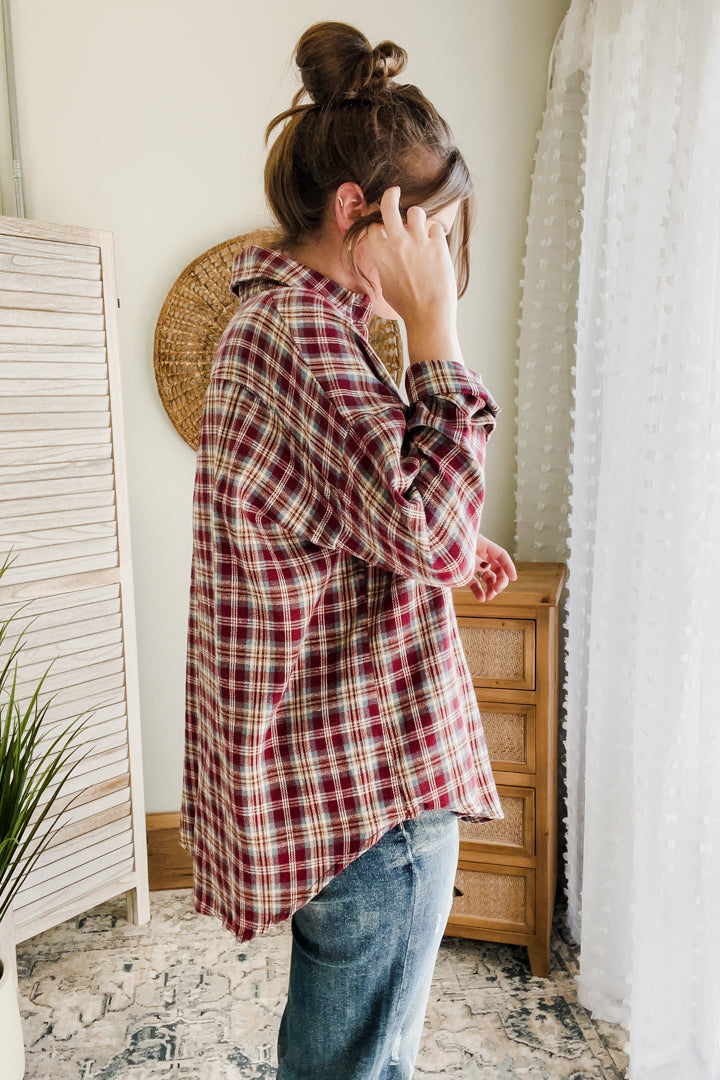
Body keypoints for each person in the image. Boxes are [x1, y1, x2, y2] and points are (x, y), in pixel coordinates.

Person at [180, 20, 517, 1080]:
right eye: (434, 236)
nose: (441, 264)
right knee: (360, 1067)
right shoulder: (311, 336)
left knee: (334, 1056)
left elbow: (363, 517)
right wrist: (439, 334)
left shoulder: (266, 320)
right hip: (373, 789)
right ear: (357, 215)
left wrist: (453, 546)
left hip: (331, 770)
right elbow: (423, 524)